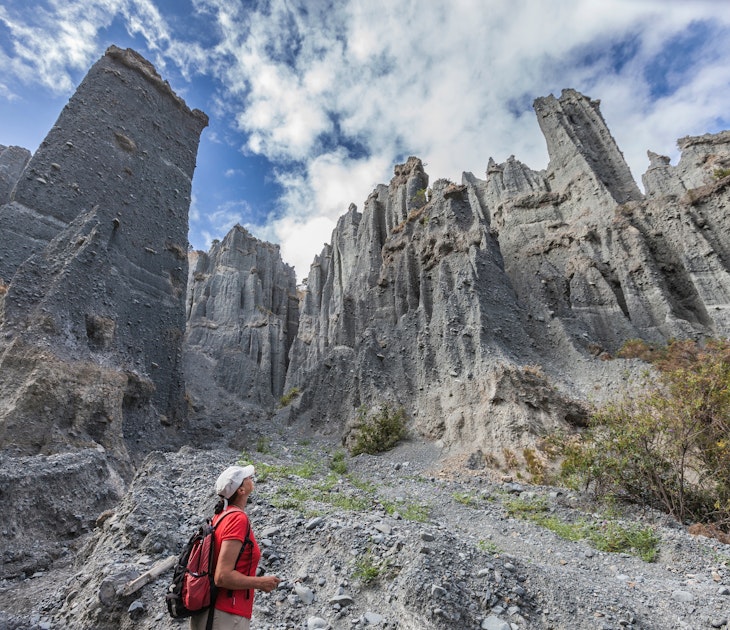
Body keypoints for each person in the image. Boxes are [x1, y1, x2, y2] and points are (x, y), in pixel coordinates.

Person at [191, 464, 281, 630]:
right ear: (241, 490)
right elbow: (222, 577)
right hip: (224, 615)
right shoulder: (237, 519)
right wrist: (261, 583)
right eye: (246, 478)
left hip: (211, 613)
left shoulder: (219, 517)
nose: (250, 478)